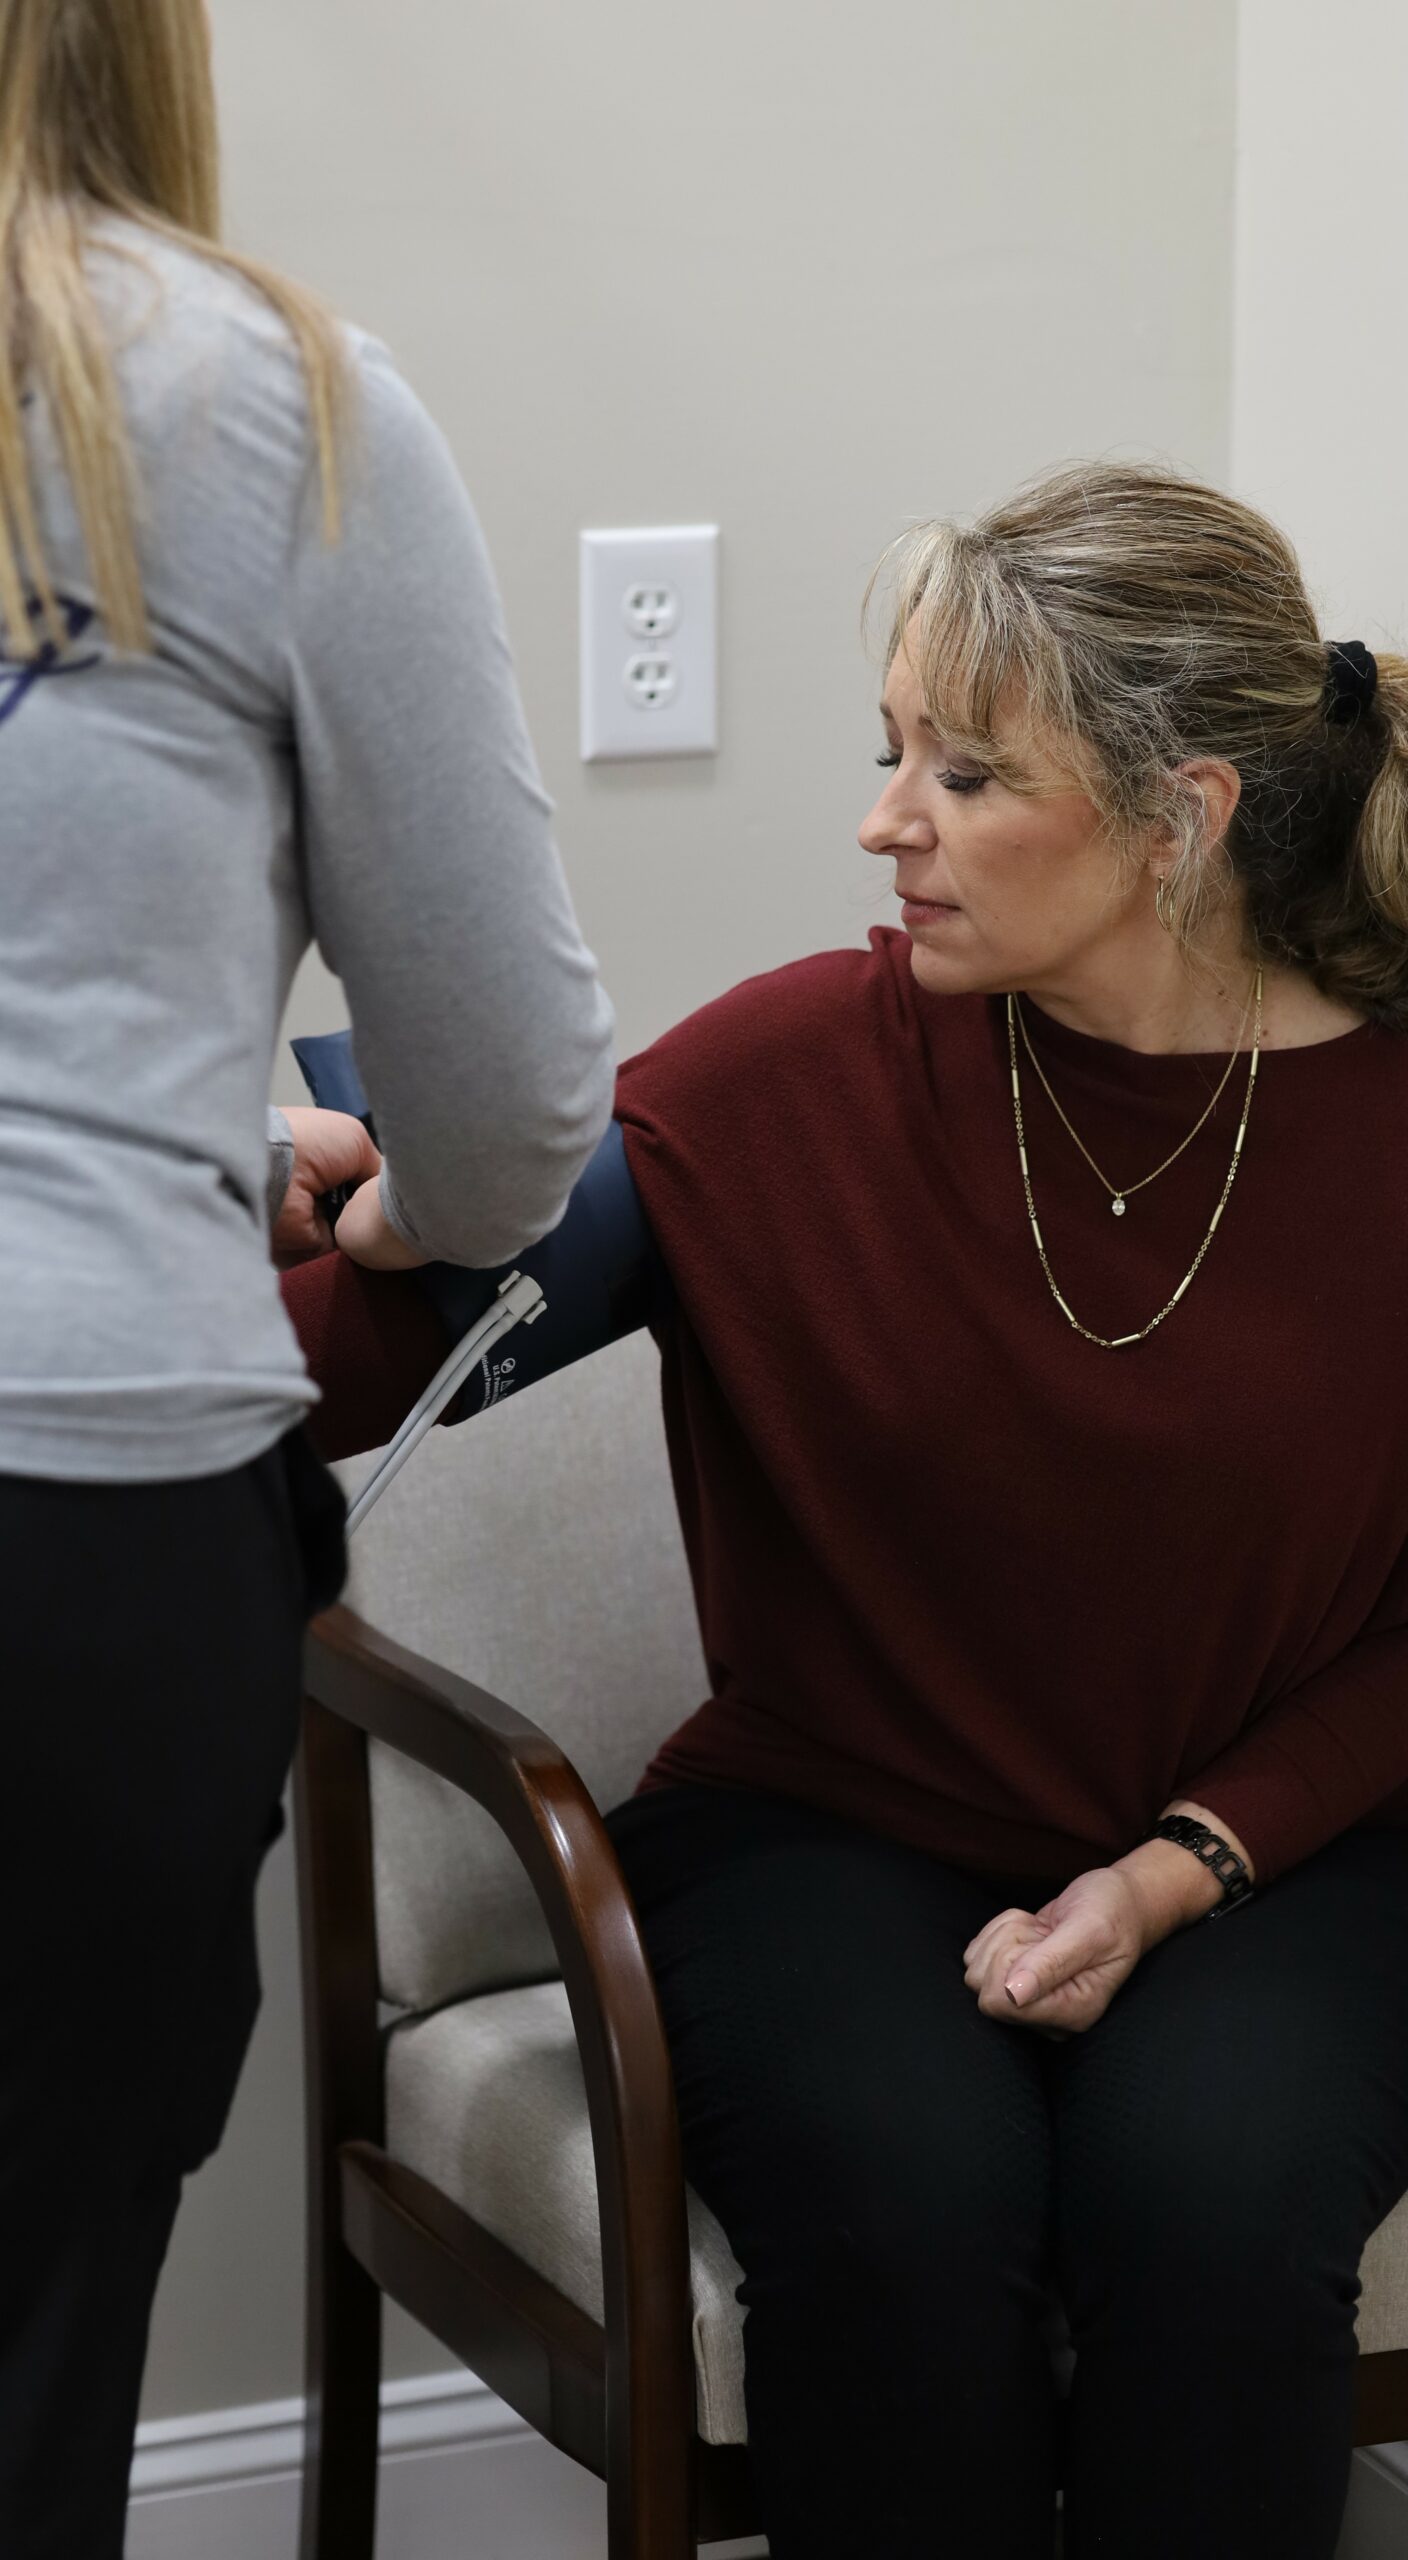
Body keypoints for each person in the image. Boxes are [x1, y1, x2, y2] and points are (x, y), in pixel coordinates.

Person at [298, 462, 1408, 2559]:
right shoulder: (799, 1068)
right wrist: (227, 1197)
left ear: (1176, 819)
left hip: (1285, 1852)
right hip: (829, 1826)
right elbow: (391, 1334)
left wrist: (1177, 1868)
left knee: (1215, 2207)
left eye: (963, 773)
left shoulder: (1385, 1127)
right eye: (886, 749)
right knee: (905, 2220)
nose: (883, 822)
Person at [0, 2, 614, 2550]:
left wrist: (195, 1138)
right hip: (72, 1529)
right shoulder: (262, 405)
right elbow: (504, 1099)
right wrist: (349, 1194)